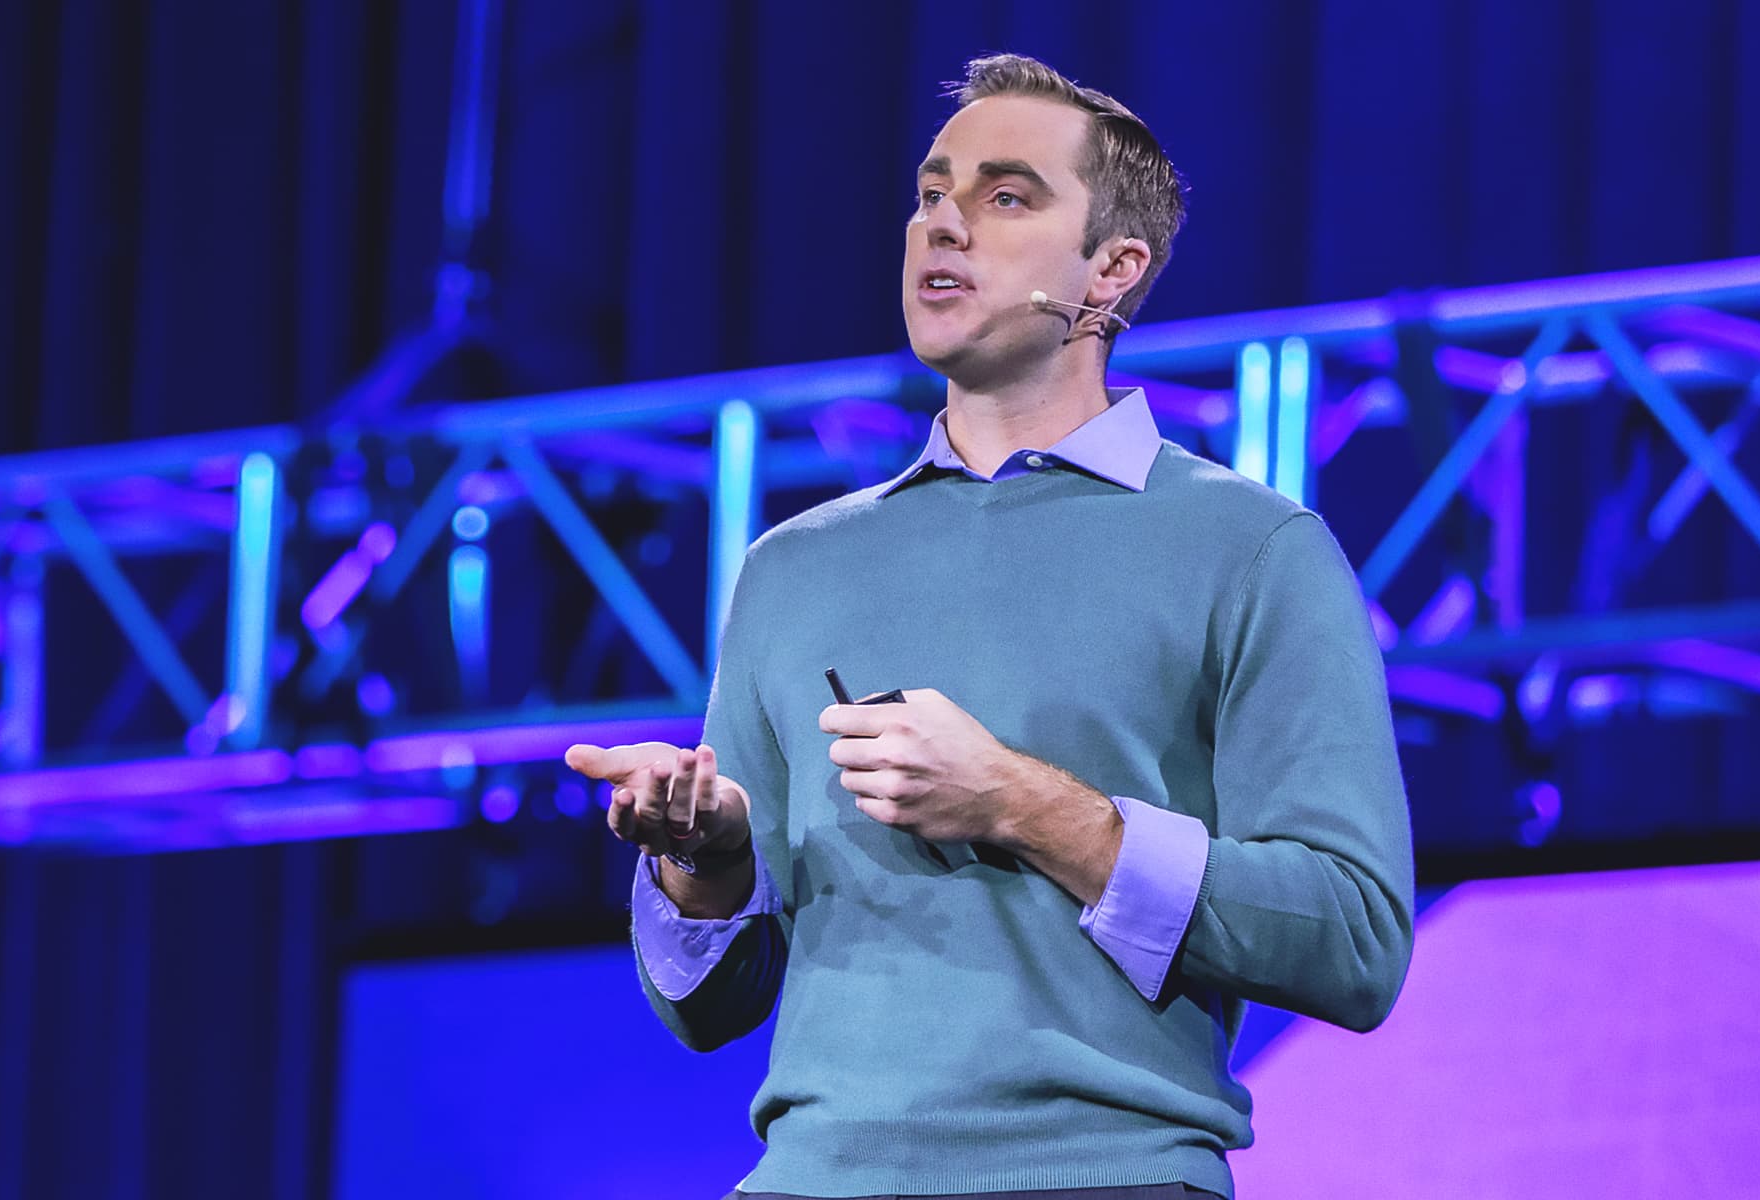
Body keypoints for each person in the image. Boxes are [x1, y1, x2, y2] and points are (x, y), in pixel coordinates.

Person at [567, 53, 1414, 1200]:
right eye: (930, 193)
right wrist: (705, 861)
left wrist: (1019, 799)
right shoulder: (793, 567)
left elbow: (1353, 939)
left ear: (1112, 271)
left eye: (1005, 197)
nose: (943, 226)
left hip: (1103, 1177)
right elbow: (712, 1005)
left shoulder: (1251, 549)